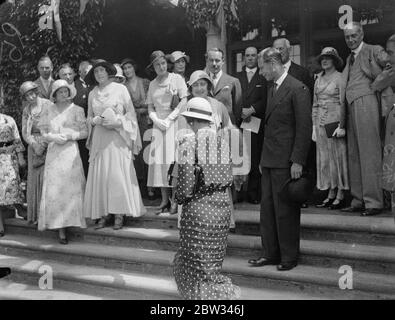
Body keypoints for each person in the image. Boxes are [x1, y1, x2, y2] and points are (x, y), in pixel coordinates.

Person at [248, 48, 311, 271]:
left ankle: (288, 257)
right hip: (269, 160)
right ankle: (270, 253)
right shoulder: (270, 87)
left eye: (262, 68)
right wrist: (262, 160)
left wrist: (298, 161)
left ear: (273, 64)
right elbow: (270, 127)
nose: (261, 73)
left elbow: (304, 128)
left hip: (287, 162)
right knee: (267, 211)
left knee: (285, 211)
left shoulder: (297, 88)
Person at [173, 97, 240, 300]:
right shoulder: (223, 142)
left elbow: (185, 188)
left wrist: (177, 198)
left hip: (198, 213)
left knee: (193, 269)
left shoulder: (188, 143)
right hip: (221, 211)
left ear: (191, 121)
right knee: (211, 268)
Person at [84, 59, 146, 230]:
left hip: (117, 136)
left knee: (117, 174)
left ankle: (119, 214)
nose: (99, 74)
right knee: (102, 173)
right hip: (100, 138)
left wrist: (118, 122)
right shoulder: (92, 93)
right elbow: (88, 117)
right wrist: (94, 120)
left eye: (102, 70)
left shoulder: (120, 89)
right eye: (96, 72)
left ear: (108, 72)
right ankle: (104, 213)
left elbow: (131, 114)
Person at [340, 22, 393, 216]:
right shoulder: (349, 58)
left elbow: (392, 66)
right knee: (354, 154)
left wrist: (375, 86)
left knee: (369, 152)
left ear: (362, 34)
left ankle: (374, 202)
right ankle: (358, 199)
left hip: (366, 103)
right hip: (351, 106)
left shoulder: (374, 50)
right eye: (347, 37)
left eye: (354, 35)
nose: (351, 40)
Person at [38, 80, 87, 244]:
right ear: (54, 95)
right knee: (55, 190)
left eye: (66, 91)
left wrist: (70, 136)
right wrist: (51, 137)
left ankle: (74, 221)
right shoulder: (48, 110)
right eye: (60, 92)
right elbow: (43, 131)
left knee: (71, 188)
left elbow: (85, 131)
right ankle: (60, 228)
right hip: (54, 153)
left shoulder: (77, 110)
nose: (64, 94)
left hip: (70, 152)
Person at [146, 50, 188, 213]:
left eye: (163, 63)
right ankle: (164, 199)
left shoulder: (176, 78)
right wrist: (156, 120)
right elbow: (150, 106)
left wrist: (169, 119)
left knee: (172, 161)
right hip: (159, 125)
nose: (161, 66)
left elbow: (184, 100)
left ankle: (175, 200)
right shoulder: (152, 84)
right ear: (153, 67)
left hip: (174, 123)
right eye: (157, 64)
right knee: (159, 163)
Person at [312, 47, 349, 210]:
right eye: (323, 58)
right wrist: (313, 125)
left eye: (328, 58)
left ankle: (340, 193)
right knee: (325, 159)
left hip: (334, 120)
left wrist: (342, 125)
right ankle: (330, 193)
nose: (325, 61)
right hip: (320, 121)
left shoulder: (340, 78)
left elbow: (343, 103)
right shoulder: (318, 79)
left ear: (335, 60)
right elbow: (315, 104)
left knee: (337, 158)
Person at [236, 46, 267, 204]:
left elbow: (266, 99)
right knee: (239, 157)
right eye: (247, 55)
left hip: (255, 122)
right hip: (240, 122)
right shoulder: (237, 77)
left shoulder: (263, 76)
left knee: (254, 158)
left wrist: (252, 109)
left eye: (253, 55)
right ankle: (239, 192)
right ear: (243, 58)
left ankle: (254, 194)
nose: (250, 58)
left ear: (257, 58)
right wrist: (240, 111)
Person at [21, 81, 52, 225]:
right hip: (33, 146)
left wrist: (43, 144)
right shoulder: (26, 110)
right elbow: (24, 132)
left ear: (37, 91)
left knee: (47, 179)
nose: (31, 97)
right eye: (27, 95)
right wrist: (34, 144)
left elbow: (54, 125)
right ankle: (35, 215)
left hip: (48, 144)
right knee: (34, 180)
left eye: (32, 92)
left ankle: (47, 215)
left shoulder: (48, 105)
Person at [121, 58, 152, 198]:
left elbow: (152, 102)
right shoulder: (123, 86)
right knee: (135, 153)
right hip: (131, 122)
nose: (127, 71)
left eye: (129, 67)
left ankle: (150, 186)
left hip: (146, 120)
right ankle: (138, 186)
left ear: (134, 67)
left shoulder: (144, 82)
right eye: (125, 68)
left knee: (148, 151)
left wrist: (144, 111)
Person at [0, 113, 26, 237]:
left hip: (10, 157)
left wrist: (20, 157)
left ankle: (20, 209)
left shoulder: (8, 119)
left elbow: (17, 138)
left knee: (13, 184)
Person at [205, 48, 242, 126]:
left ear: (223, 61)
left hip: (226, 127)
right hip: (206, 126)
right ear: (207, 61)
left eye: (217, 60)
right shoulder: (202, 82)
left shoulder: (233, 81)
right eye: (211, 60)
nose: (214, 64)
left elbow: (238, 110)